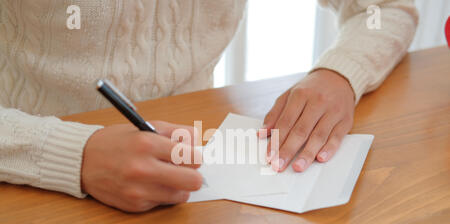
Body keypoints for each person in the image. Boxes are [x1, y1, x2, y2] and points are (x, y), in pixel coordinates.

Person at [0, 0, 418, 212]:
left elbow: (386, 8)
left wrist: (339, 74)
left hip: (191, 180)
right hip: (26, 176)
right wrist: (72, 154)